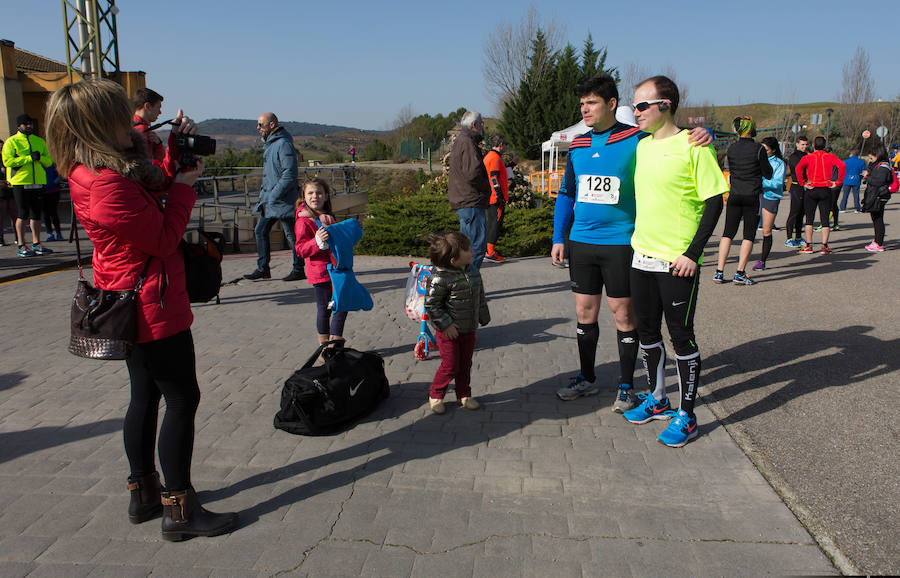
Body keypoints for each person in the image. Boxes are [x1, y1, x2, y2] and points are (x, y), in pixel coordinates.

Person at [45, 79, 237, 541]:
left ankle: (145, 495)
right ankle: (180, 510)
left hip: (133, 296)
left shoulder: (100, 170)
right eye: (118, 114)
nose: (130, 120)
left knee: (146, 397)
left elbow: (149, 191)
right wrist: (188, 188)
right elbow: (162, 237)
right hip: (151, 303)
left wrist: (173, 158)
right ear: (99, 124)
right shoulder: (106, 185)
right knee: (181, 398)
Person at [551, 74, 713, 412]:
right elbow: (567, 192)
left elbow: (669, 137)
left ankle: (627, 386)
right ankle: (586, 378)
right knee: (584, 312)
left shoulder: (638, 140)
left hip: (622, 243)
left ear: (611, 104)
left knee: (623, 314)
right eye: (582, 104)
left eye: (592, 102)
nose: (585, 109)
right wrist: (558, 237)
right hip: (581, 241)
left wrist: (703, 134)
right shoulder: (578, 144)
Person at [624, 75, 727, 447]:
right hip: (641, 256)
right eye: (633, 105)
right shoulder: (642, 144)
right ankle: (657, 399)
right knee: (647, 333)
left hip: (677, 261)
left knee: (681, 337)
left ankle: (688, 415)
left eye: (641, 105)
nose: (634, 112)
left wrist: (693, 254)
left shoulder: (694, 145)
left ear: (665, 105)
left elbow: (714, 200)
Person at [424, 231, 490, 414]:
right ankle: (436, 395)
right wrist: (446, 325)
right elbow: (431, 304)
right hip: (448, 333)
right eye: (467, 249)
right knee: (450, 365)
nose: (472, 251)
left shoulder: (473, 271)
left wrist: (483, 316)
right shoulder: (439, 278)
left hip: (469, 329)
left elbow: (480, 296)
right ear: (454, 260)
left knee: (465, 364)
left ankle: (464, 394)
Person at [244, 112, 306, 281]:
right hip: (271, 200)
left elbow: (289, 173)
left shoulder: (283, 144)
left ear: (271, 125)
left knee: (292, 235)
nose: (258, 128)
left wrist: (274, 194)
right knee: (261, 230)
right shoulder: (273, 144)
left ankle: (298, 269)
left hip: (283, 200)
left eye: (260, 125)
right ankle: (263, 268)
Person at [713, 116, 772, 285]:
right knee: (748, 235)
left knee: (727, 233)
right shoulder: (759, 149)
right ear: (752, 128)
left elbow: (729, 169)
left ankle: (719, 271)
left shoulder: (731, 148)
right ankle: (739, 273)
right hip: (751, 195)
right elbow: (768, 173)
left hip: (735, 194)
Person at [294, 178, 348, 345]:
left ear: (325, 196)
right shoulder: (303, 221)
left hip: (337, 268)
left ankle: (335, 341)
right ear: (304, 196)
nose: (314, 196)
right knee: (324, 309)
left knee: (342, 304)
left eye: (319, 193)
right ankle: (324, 346)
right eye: (310, 193)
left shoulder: (328, 216)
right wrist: (317, 242)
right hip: (320, 272)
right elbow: (300, 249)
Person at [2, 114, 54, 258]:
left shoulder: (39, 141)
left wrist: (40, 158)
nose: (29, 126)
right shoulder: (12, 142)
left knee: (36, 214)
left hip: (37, 181)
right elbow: (8, 161)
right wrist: (29, 158)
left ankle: (37, 243)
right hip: (20, 181)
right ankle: (21, 244)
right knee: (22, 213)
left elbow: (49, 161)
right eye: (25, 124)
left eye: (30, 123)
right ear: (19, 126)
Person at [447, 110, 490, 272]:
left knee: (467, 248)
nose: (482, 127)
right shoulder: (467, 142)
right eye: (481, 124)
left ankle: (464, 284)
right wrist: (486, 187)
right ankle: (468, 284)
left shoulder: (462, 141)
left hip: (466, 201)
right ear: (474, 125)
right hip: (471, 202)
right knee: (475, 248)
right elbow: (473, 174)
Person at [794, 136, 845, 254]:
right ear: (825, 145)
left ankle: (808, 245)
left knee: (809, 219)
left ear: (813, 145)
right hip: (825, 189)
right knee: (825, 219)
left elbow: (798, 168)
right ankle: (824, 246)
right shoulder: (830, 156)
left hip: (812, 188)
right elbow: (842, 166)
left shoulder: (808, 157)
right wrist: (837, 182)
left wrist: (803, 183)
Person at [753, 137, 786, 271]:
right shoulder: (756, 159)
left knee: (766, 230)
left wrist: (760, 183)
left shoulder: (779, 163)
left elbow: (778, 182)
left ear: (773, 150)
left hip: (770, 197)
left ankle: (762, 260)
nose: (763, 152)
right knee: (749, 229)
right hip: (754, 195)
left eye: (765, 150)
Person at [861, 148, 893, 252]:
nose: (871, 160)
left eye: (871, 158)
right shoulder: (879, 165)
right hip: (877, 194)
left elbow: (879, 181)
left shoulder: (883, 167)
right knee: (876, 219)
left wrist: (867, 177)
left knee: (878, 219)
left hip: (880, 195)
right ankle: (877, 241)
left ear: (878, 155)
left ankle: (879, 243)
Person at [483, 133, 508, 262]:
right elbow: (493, 178)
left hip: (491, 197)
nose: (506, 147)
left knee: (492, 223)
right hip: (494, 198)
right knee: (495, 225)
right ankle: (490, 252)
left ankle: (489, 250)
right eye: (505, 144)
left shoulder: (491, 157)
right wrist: (499, 196)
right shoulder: (494, 158)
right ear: (500, 144)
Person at [784, 136, 809, 248]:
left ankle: (798, 236)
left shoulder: (806, 155)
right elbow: (797, 169)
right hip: (796, 186)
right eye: (802, 144)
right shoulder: (794, 157)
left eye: (806, 145)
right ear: (797, 144)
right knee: (794, 212)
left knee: (801, 213)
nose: (804, 147)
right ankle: (789, 238)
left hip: (804, 187)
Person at [132, 87, 166, 162]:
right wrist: (158, 145)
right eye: (158, 107)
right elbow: (158, 160)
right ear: (147, 106)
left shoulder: (127, 125)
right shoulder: (143, 130)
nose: (160, 112)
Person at [839, 149, 867, 213]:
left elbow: (841, 171)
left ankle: (843, 208)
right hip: (856, 179)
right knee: (856, 195)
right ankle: (857, 208)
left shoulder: (845, 161)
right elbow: (864, 172)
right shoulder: (861, 162)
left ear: (851, 154)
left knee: (845, 195)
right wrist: (861, 177)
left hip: (846, 180)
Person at [0, 141, 17, 246]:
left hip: (12, 191)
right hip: (1, 193)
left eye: (3, 147)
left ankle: (18, 237)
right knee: (1, 217)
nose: (1, 150)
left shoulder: (10, 158)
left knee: (15, 215)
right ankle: (1, 239)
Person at [42, 163, 64, 241]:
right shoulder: (38, 162)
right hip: (42, 190)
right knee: (45, 214)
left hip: (53, 190)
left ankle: (58, 233)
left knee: (53, 212)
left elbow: (61, 173)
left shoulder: (52, 161)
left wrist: (55, 182)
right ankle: (50, 233)